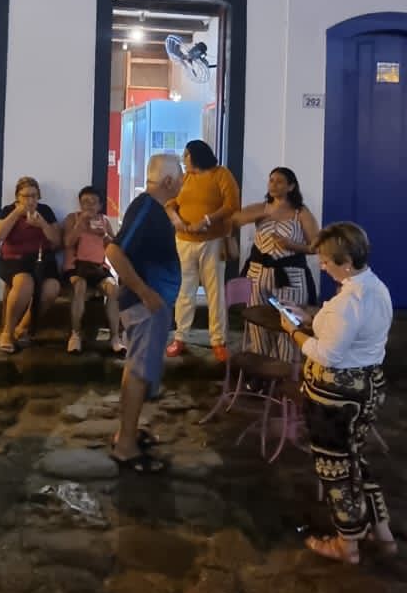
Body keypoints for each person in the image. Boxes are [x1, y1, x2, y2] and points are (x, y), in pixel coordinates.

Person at [278, 221, 396, 565]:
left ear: (346, 262)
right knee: (356, 458)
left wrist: (293, 332)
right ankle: (382, 532)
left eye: (327, 261)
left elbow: (327, 353)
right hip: (367, 387)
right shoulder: (376, 288)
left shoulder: (348, 303)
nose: (322, 266)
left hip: (336, 398)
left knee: (335, 467)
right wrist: (310, 317)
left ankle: (347, 544)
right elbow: (344, 331)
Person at [105, 153, 184, 475]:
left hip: (150, 306)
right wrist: (144, 292)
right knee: (139, 372)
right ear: (168, 181)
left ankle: (127, 432)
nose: (183, 183)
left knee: (136, 369)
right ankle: (126, 447)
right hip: (144, 307)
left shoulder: (154, 209)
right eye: (181, 178)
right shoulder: (147, 208)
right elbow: (114, 251)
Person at [231, 167, 320, 368]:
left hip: (290, 276)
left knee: (288, 323)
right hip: (258, 274)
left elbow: (316, 246)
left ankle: (284, 372)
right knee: (256, 323)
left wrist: (293, 246)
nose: (273, 184)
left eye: (279, 181)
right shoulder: (261, 208)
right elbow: (233, 221)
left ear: (291, 186)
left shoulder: (301, 212)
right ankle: (259, 372)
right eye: (271, 180)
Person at [164, 140, 240, 363]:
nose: (184, 159)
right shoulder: (185, 178)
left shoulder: (221, 174)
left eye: (186, 155)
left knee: (215, 292)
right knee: (185, 291)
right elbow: (170, 203)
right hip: (184, 240)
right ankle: (180, 337)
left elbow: (232, 205)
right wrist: (176, 220)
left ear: (197, 156)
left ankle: (218, 340)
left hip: (212, 241)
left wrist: (206, 220)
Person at [0, 177, 62, 353]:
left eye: (34, 196)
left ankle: (23, 327)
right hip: (14, 259)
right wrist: (16, 214)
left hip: (42, 260)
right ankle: (7, 332)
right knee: (24, 283)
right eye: (25, 196)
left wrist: (42, 224)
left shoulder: (45, 211)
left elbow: (57, 240)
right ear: (17, 197)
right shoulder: (8, 210)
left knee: (52, 288)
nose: (30, 200)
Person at [61, 186, 125, 356]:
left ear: (100, 205)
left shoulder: (104, 220)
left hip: (98, 268)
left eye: (93, 202)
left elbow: (114, 246)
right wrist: (80, 225)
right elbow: (67, 243)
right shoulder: (72, 218)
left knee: (113, 288)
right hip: (76, 267)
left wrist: (104, 235)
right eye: (85, 202)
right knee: (79, 286)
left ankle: (115, 337)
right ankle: (75, 334)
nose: (89, 206)